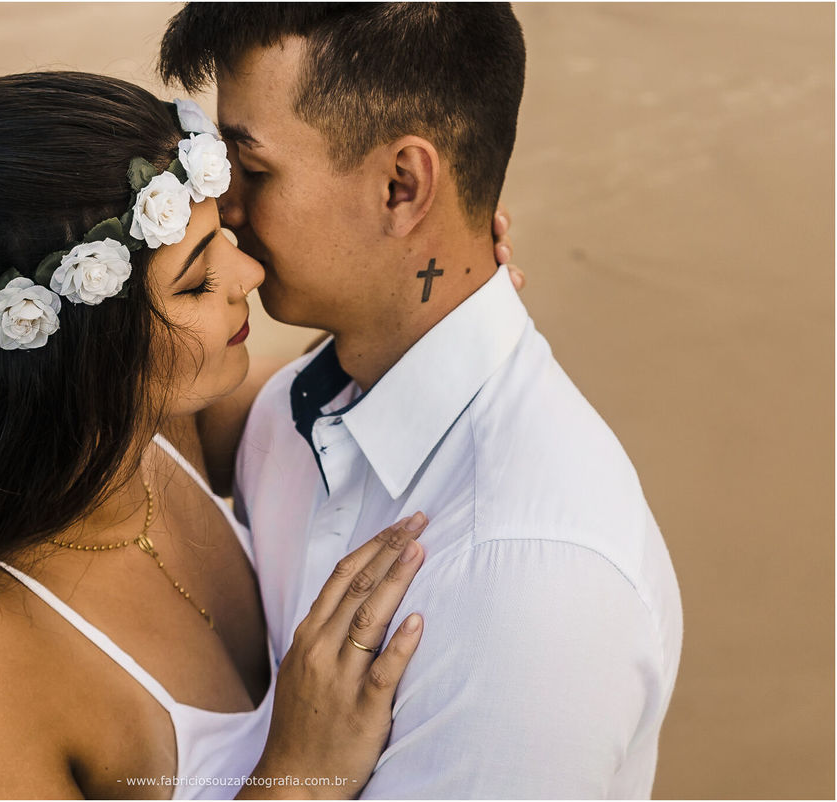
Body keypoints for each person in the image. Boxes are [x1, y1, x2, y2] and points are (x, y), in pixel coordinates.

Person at [0, 71, 527, 799]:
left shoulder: (156, 430)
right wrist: (295, 774)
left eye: (222, 234)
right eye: (196, 281)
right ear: (77, 354)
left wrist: (427, 296)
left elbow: (331, 389)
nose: (250, 276)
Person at [159, 3, 684, 798]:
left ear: (402, 186)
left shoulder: (530, 591)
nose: (224, 209)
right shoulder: (293, 408)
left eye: (254, 171)